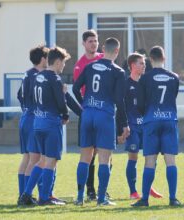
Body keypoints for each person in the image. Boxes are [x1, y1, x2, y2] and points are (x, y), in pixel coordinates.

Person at [73, 37, 130, 206]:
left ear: (103, 49)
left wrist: (84, 103)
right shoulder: (118, 71)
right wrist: (124, 124)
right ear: (117, 51)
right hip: (105, 115)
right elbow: (120, 101)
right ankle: (101, 198)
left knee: (85, 157)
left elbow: (75, 88)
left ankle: (79, 196)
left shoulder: (89, 66)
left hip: (88, 113)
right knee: (104, 158)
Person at [19, 46, 71, 206]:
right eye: (63, 63)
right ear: (57, 62)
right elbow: (60, 102)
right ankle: (45, 197)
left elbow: (31, 99)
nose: (63, 66)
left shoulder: (37, 77)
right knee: (51, 160)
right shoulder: (54, 79)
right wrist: (65, 115)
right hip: (51, 124)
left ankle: (26, 194)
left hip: (38, 123)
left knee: (41, 160)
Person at [131, 46, 181, 207]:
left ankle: (145, 199)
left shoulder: (144, 79)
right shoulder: (174, 77)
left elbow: (139, 103)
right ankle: (173, 198)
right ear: (164, 58)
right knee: (170, 161)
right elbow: (173, 97)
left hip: (151, 120)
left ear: (150, 60)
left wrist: (146, 113)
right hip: (169, 120)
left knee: (150, 161)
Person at [117, 53, 162, 200]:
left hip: (147, 126)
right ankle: (133, 192)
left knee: (152, 158)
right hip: (132, 127)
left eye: (144, 63)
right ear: (132, 65)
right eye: (141, 63)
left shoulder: (146, 83)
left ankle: (148, 188)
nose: (144, 66)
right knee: (133, 158)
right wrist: (121, 127)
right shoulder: (125, 83)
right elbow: (120, 107)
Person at [73, 29, 104, 201]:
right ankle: (89, 190)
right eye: (90, 41)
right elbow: (78, 89)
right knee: (89, 154)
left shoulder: (103, 59)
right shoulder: (80, 65)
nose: (94, 44)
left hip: (104, 113)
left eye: (95, 40)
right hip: (89, 113)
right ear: (83, 43)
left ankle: (103, 190)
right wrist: (84, 108)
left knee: (105, 152)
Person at [16, 45, 49, 205]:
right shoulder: (38, 76)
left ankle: (22, 193)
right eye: (47, 57)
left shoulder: (27, 74)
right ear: (43, 59)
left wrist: (26, 109)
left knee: (27, 157)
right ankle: (26, 196)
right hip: (33, 119)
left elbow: (19, 95)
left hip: (25, 117)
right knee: (35, 158)